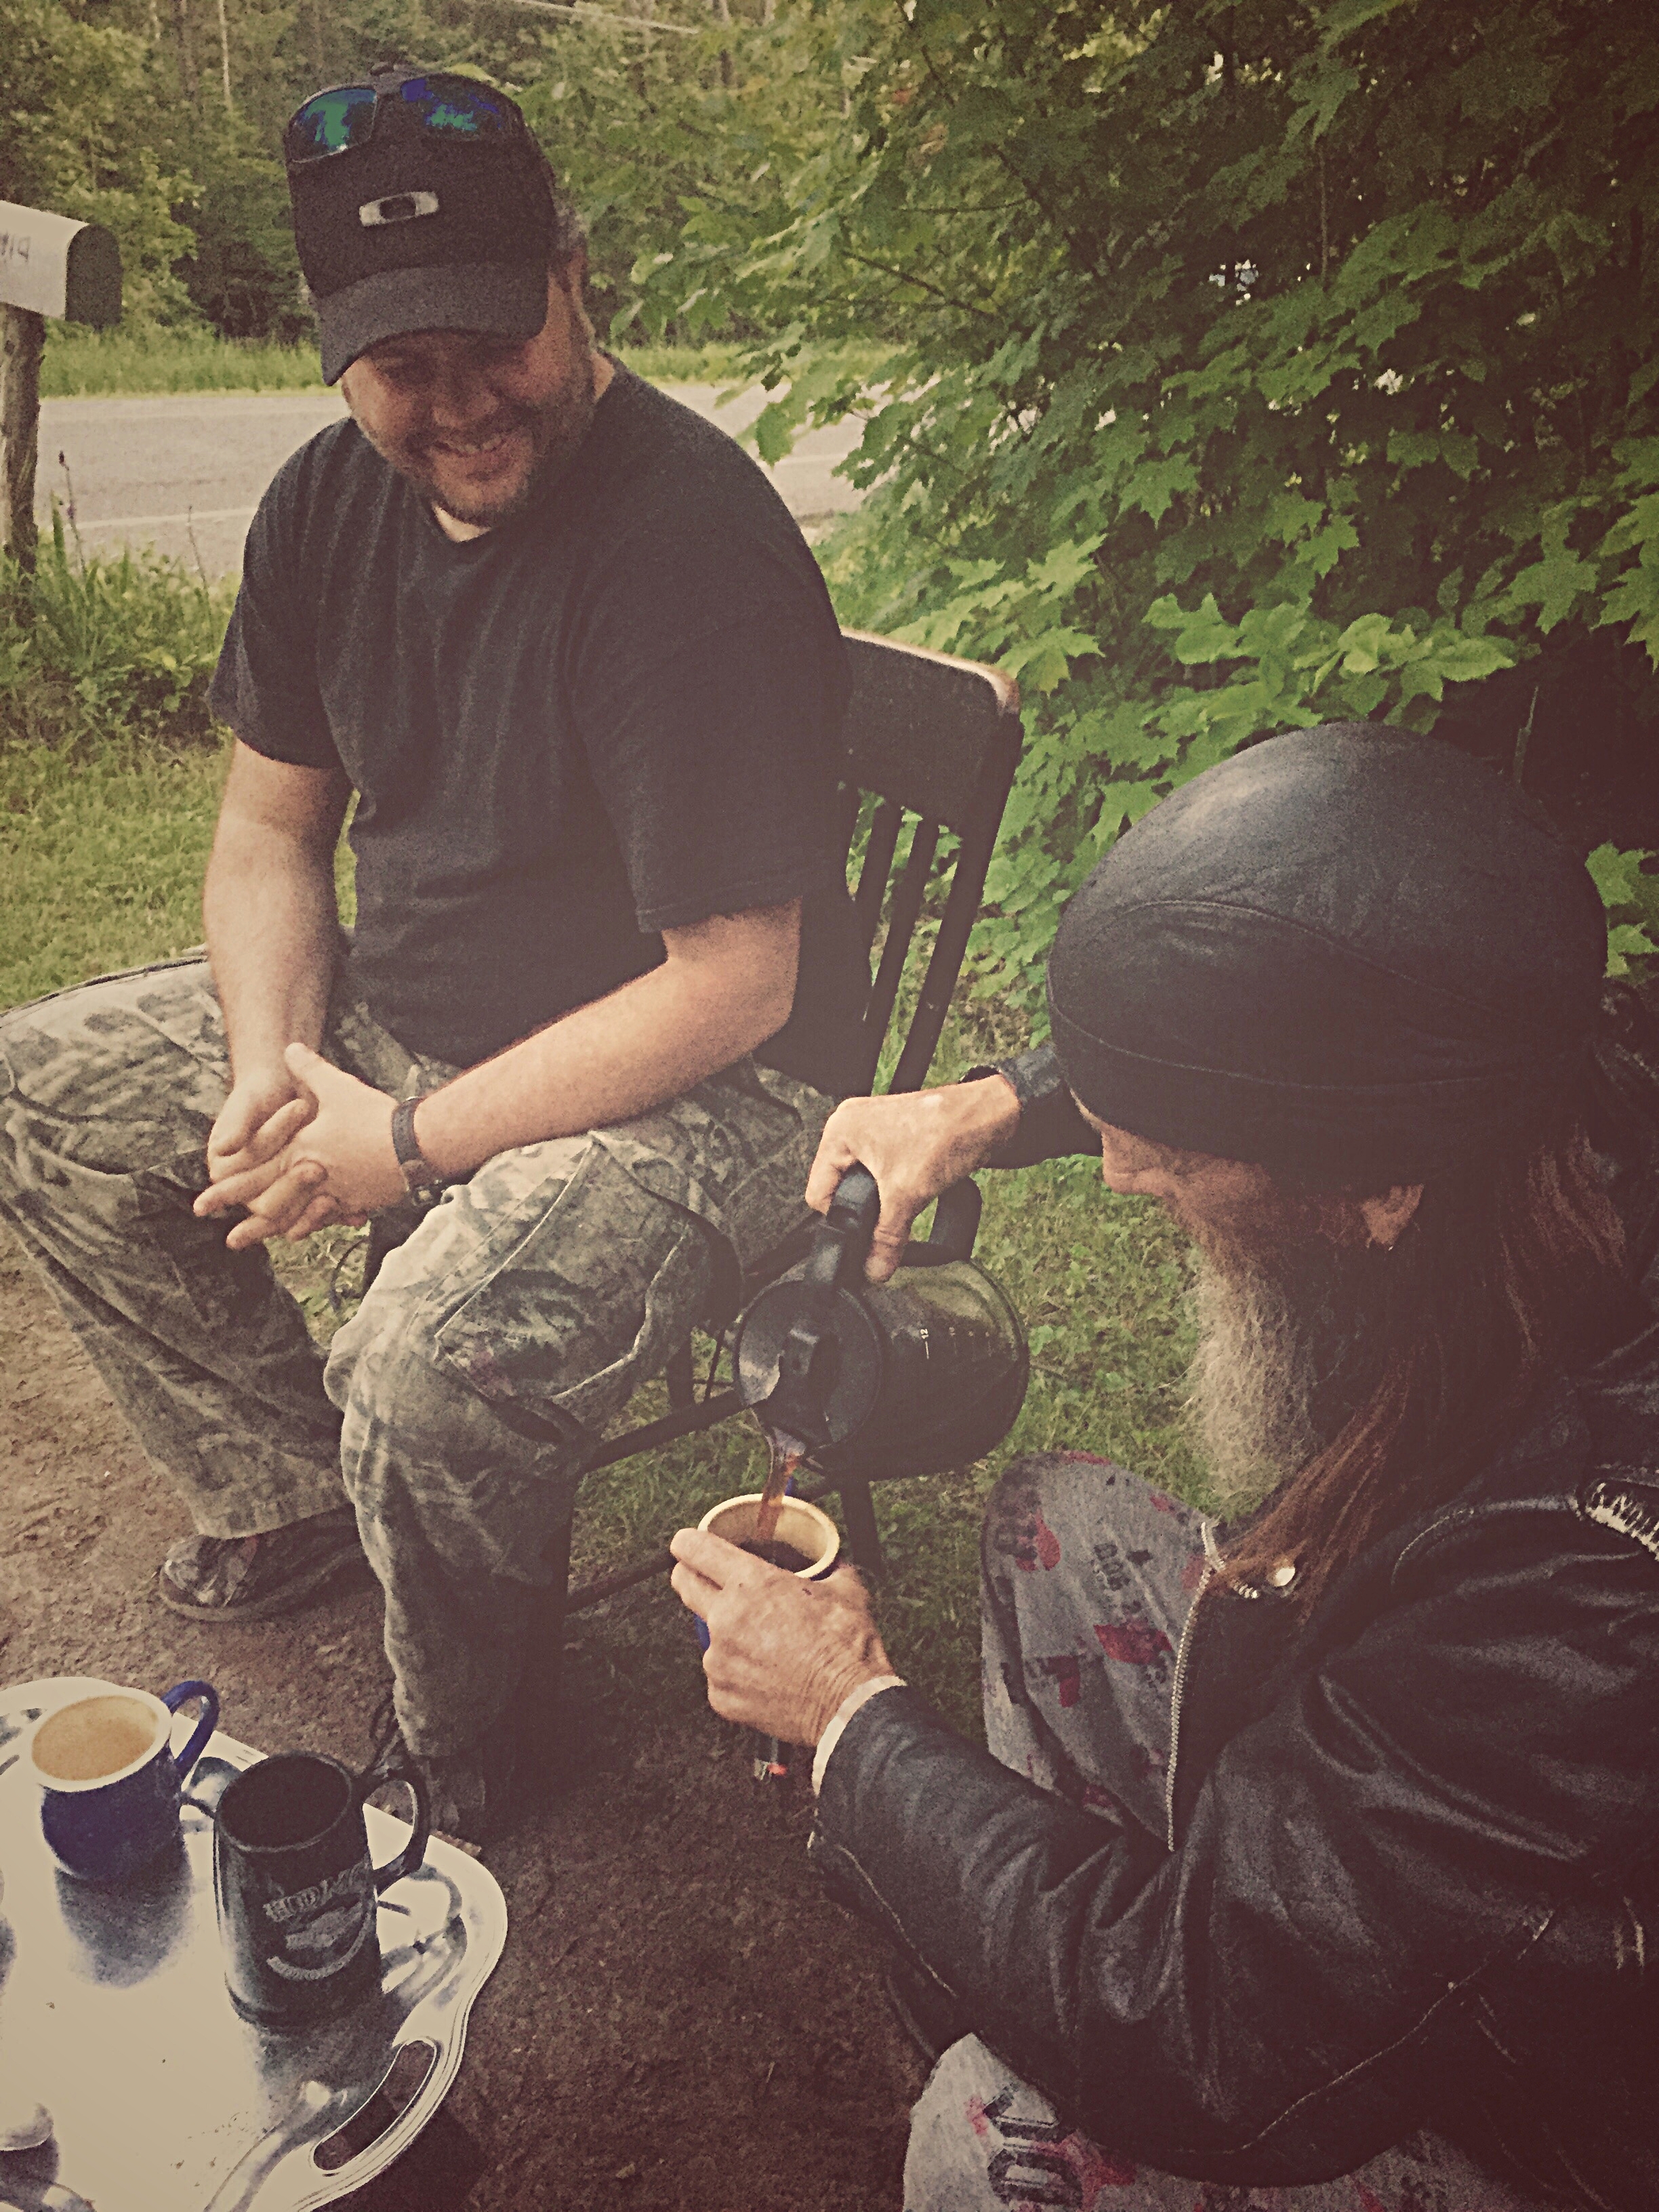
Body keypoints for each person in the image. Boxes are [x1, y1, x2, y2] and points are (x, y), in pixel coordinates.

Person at [0, 65, 865, 1842]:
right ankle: (304, 1493)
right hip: (416, 1028)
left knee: (423, 1358)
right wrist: (269, 1069)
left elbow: (739, 984)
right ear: (336, 346)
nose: (460, 405)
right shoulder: (326, 506)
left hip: (721, 1091)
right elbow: (265, 833)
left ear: (571, 273)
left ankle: (471, 1746)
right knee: (46, 1096)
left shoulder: (680, 542)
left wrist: (396, 1147)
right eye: (405, 363)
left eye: (493, 339)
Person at [671, 724, 1659, 2211]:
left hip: (1553, 2092)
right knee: (1053, 1531)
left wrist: (847, 1717)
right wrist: (991, 1104)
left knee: (987, 2141)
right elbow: (1293, 1023)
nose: (1128, 1177)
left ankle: (1069, 1990)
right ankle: (1072, 1936)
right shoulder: (1535, 1087)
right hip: (1402, 1807)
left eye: (1174, 1156)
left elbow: (1223, 2034)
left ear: (1376, 1181)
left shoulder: (1578, 1582)